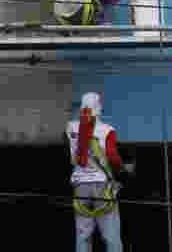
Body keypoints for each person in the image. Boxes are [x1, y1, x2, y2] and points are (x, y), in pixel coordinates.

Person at [66, 91, 135, 252]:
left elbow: (78, 144)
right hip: (102, 188)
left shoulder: (71, 128)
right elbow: (113, 158)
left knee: (83, 236)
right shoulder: (107, 130)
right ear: (99, 108)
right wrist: (125, 169)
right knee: (111, 237)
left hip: (80, 189)